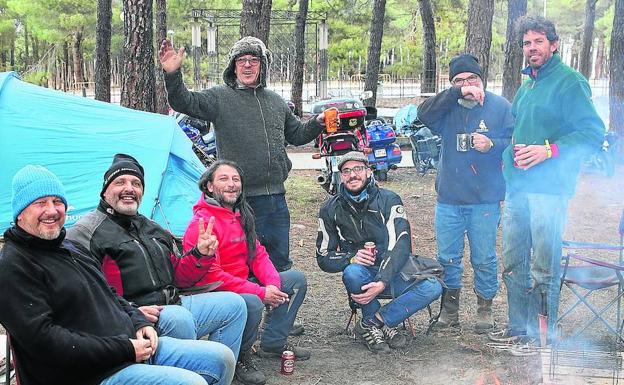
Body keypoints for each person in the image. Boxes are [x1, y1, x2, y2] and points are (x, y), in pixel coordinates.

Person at [0, 165, 236, 385]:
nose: (51, 211)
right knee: (191, 382)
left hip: (130, 347)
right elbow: (45, 341)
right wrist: (125, 348)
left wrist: (138, 320)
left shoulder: (69, 248)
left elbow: (108, 292)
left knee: (219, 357)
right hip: (88, 373)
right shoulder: (14, 265)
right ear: (20, 212)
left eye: (57, 202)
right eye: (40, 203)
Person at [159, 36, 325, 273]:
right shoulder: (219, 97)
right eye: (242, 60)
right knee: (245, 262)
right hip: (240, 199)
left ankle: (278, 303)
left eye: (254, 60)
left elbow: (297, 134)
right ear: (233, 66)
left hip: (276, 198)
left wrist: (317, 122)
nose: (248, 65)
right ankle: (251, 306)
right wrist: (172, 75)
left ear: (262, 66)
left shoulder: (276, 102)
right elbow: (183, 101)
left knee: (279, 263)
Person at [488, 16, 605, 347]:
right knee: (513, 262)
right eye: (526, 43)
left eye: (538, 41)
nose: (531, 48)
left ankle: (541, 337)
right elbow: (515, 132)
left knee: (543, 267)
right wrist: (508, 159)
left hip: (550, 191)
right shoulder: (527, 86)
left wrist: (549, 150)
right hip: (518, 190)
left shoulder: (571, 82)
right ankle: (517, 328)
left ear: (553, 45)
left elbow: (592, 133)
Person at [67, 154, 246, 361]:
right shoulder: (86, 232)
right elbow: (83, 292)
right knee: (179, 318)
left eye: (136, 183)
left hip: (173, 301)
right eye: (120, 182)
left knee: (234, 305)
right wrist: (129, 312)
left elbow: (179, 278)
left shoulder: (152, 228)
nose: (129, 188)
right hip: (137, 313)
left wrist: (200, 255)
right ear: (105, 191)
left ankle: (214, 373)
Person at [181, 160, 310, 385]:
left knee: (296, 281)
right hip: (211, 290)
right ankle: (241, 355)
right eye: (223, 179)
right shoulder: (201, 224)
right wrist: (261, 293)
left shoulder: (241, 214)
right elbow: (212, 277)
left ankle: (273, 343)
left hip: (242, 282)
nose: (231, 184)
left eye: (236, 179)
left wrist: (272, 285)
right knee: (252, 302)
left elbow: (257, 254)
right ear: (209, 186)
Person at [417, 54, 513, 333]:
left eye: (472, 79)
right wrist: (457, 93)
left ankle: (485, 308)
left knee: (484, 257)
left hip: (485, 200)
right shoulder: (447, 107)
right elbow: (423, 114)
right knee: (447, 257)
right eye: (459, 81)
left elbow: (516, 141)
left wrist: (492, 144)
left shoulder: (499, 106)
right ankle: (450, 310)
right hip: (449, 199)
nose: (467, 85)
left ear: (482, 80)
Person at [316, 151, 443, 353]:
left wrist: (383, 280)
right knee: (352, 272)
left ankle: (374, 323)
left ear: (368, 171)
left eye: (358, 169)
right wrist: (350, 258)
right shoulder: (330, 208)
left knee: (432, 287)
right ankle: (384, 328)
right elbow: (323, 257)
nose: (352, 175)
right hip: (363, 276)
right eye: (346, 171)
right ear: (340, 176)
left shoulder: (389, 199)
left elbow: (401, 245)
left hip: (395, 273)